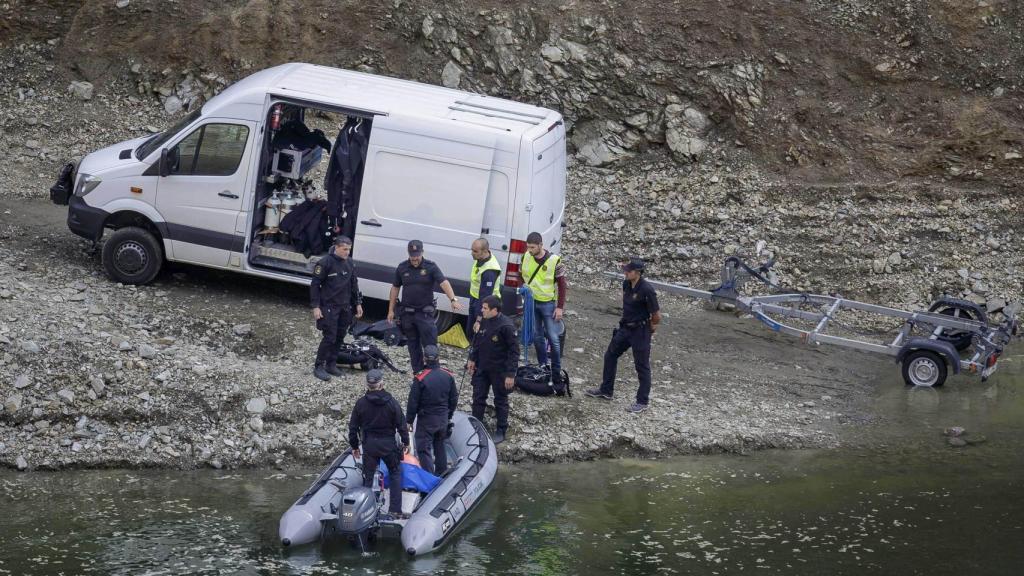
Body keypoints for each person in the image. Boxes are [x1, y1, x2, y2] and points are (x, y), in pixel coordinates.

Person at [585, 258, 661, 413]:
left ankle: (642, 401)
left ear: (637, 273)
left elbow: (656, 315)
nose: (625, 273)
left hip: (640, 330)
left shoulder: (647, 290)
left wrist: (650, 329)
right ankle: (606, 390)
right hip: (625, 328)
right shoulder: (626, 284)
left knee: (642, 366)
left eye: (628, 271)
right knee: (610, 355)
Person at [387, 239, 463, 373]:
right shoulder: (402, 267)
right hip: (407, 314)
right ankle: (417, 372)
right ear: (408, 253)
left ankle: (433, 372)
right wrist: (390, 310)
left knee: (430, 345)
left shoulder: (431, 267)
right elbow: (395, 288)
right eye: (412, 255)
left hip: (425, 314)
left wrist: (453, 299)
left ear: (422, 252)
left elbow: (443, 282)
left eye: (417, 255)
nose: (414, 258)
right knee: (412, 344)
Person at [349, 369, 410, 519]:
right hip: (388, 444)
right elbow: (402, 425)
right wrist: (406, 441)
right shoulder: (392, 403)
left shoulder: (361, 404)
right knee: (395, 473)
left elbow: (353, 427)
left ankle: (364, 510)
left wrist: (355, 446)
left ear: (368, 385)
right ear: (381, 383)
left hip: (369, 445)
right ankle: (395, 510)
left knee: (368, 477)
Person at [467, 295, 519, 444]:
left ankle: (501, 429)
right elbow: (477, 341)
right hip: (482, 367)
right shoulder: (484, 321)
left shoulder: (506, 327)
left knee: (500, 400)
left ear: (494, 310)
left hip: (499, 370)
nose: (482, 311)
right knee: (478, 397)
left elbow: (514, 352)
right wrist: (472, 359)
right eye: (482, 308)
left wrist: (510, 375)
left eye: (485, 308)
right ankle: (477, 424)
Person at [310, 235, 363, 381]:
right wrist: (316, 306)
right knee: (330, 337)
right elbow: (315, 285)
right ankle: (319, 366)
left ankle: (331, 364)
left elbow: (354, 284)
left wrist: (358, 303)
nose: (347, 252)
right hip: (329, 306)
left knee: (340, 336)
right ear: (337, 247)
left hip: (345, 307)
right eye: (345, 249)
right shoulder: (325, 263)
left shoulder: (350, 263)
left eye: (349, 249)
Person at [521, 232, 567, 385]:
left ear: (541, 245)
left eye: (532, 247)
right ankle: (543, 365)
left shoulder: (555, 261)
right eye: (528, 247)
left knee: (553, 338)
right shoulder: (526, 256)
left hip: (547, 304)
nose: (530, 250)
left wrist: (559, 307)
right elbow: (523, 274)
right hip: (532, 302)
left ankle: (556, 371)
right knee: (536, 336)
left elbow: (562, 285)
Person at [405, 344, 458, 475]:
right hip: (442, 419)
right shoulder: (448, 376)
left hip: (426, 420)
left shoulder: (421, 378)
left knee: (423, 448)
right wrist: (449, 414)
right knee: (440, 445)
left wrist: (409, 420)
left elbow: (413, 402)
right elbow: (453, 399)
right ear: (438, 358)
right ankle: (442, 472)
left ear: (424, 359)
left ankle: (429, 476)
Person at [467, 238, 502, 335]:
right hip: (475, 298)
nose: (472, 253)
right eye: (472, 250)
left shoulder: (489, 271)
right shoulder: (481, 258)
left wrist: (479, 319)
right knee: (470, 331)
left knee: (478, 333)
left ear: (485, 251)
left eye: (475, 251)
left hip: (487, 304)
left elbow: (485, 297)